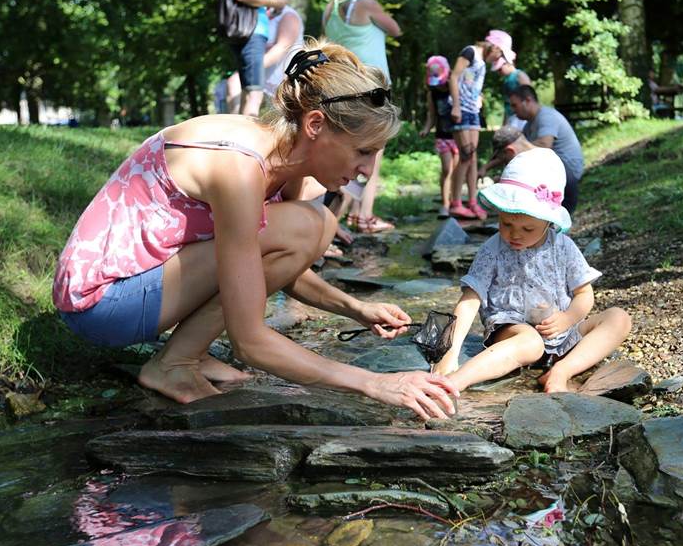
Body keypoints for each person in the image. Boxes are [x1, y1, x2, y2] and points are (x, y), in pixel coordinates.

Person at [52, 41, 459, 420]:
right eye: (363, 151)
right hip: (103, 303)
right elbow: (249, 340)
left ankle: (186, 350)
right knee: (312, 224)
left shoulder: (284, 155)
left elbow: (272, 266)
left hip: (145, 285)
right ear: (315, 124)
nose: (367, 172)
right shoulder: (240, 168)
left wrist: (356, 309)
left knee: (315, 226)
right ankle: (174, 362)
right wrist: (376, 383)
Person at [431, 149, 631, 393]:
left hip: (560, 333)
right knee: (531, 342)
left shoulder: (563, 247)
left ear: (549, 221)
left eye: (527, 229)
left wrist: (568, 318)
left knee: (619, 318)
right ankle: (458, 380)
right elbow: (470, 301)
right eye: (506, 224)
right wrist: (449, 353)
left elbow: (584, 294)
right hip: (513, 329)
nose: (515, 234)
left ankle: (562, 370)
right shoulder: (492, 249)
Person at [322, 0, 401, 234]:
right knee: (373, 150)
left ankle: (347, 213)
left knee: (351, 146)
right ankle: (363, 215)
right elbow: (395, 29)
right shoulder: (365, 3)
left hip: (344, 84)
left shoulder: (329, 8)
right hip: (373, 85)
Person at [227, 0, 289, 118]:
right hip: (251, 35)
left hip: (254, 33)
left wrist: (270, 8)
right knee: (254, 93)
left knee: (249, 91)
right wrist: (274, 2)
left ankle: (238, 139)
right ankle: (243, 142)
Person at [447, 33, 506, 219]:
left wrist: (478, 97)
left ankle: (472, 202)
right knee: (465, 155)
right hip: (461, 108)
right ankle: (455, 203)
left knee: (472, 157)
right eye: (500, 54)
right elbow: (454, 77)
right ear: (495, 46)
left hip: (473, 110)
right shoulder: (470, 52)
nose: (498, 60)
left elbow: (471, 83)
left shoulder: (481, 60)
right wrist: (456, 105)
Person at [508, 85, 585, 212]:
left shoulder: (546, 116)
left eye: (514, 105)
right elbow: (517, 149)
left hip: (569, 172)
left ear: (528, 100)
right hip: (556, 170)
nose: (513, 110)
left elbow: (544, 145)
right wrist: (487, 167)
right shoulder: (529, 124)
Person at [420, 55, 460, 218]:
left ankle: (454, 201)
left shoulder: (454, 87)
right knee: (446, 169)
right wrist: (426, 128)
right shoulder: (433, 94)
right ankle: (444, 204)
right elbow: (432, 115)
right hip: (442, 135)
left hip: (458, 134)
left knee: (456, 171)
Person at [488, 32, 531, 130]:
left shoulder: (519, 75)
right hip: (511, 117)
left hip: (522, 116)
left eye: (500, 69)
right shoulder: (506, 81)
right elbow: (507, 104)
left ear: (507, 63)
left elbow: (529, 95)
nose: (499, 72)